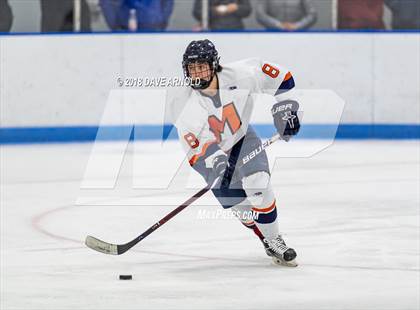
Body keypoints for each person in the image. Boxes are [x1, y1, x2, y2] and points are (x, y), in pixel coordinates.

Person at [166, 40, 300, 266]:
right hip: (203, 155)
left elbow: (283, 77)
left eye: (202, 66)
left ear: (214, 65)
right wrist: (217, 162)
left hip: (241, 138)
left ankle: (274, 238)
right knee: (242, 209)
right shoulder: (181, 102)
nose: (197, 73)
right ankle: (264, 238)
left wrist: (286, 109)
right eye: (192, 68)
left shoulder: (243, 74)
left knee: (258, 184)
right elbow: (198, 145)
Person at [100, 0, 174, 31]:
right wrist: (115, 26)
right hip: (125, 27)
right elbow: (106, 3)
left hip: (153, 25)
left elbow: (168, 3)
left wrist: (162, 21)